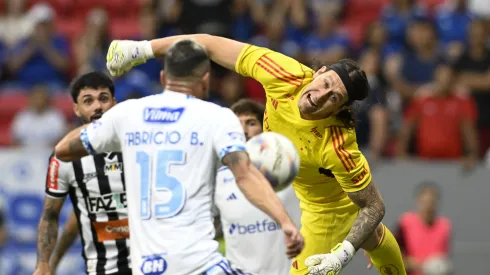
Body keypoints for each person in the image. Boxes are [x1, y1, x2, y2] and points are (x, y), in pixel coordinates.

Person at [105, 34, 407, 275]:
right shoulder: (284, 74)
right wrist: (142, 48)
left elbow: (374, 205)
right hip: (295, 185)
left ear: (341, 109)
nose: (321, 96)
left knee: (356, 230)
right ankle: (372, 239)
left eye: (334, 98)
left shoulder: (338, 145)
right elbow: (208, 44)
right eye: (326, 84)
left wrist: (343, 253)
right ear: (320, 71)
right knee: (371, 235)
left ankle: (364, 238)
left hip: (326, 211)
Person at [54, 39, 303, 275]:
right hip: (197, 264)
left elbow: (63, 149)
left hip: (145, 267)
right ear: (205, 80)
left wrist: (106, 123)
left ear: (163, 78)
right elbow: (245, 174)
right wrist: (285, 221)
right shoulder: (217, 117)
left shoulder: (127, 114)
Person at [34, 72, 131, 275]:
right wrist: (44, 263)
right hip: (103, 269)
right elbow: (52, 215)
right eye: (88, 101)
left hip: (152, 265)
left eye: (103, 99)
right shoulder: (64, 157)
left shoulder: (138, 144)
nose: (97, 106)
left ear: (115, 103)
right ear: (76, 109)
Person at [214, 99, 302, 275]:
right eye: (236, 124)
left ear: (264, 128)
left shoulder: (288, 169)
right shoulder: (218, 177)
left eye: (251, 123)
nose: (243, 130)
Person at [394, 182, 452, 275]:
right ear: (418, 201)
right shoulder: (405, 223)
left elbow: (443, 256)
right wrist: (416, 265)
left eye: (431, 202)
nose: (428, 206)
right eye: (425, 202)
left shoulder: (444, 225)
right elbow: (394, 256)